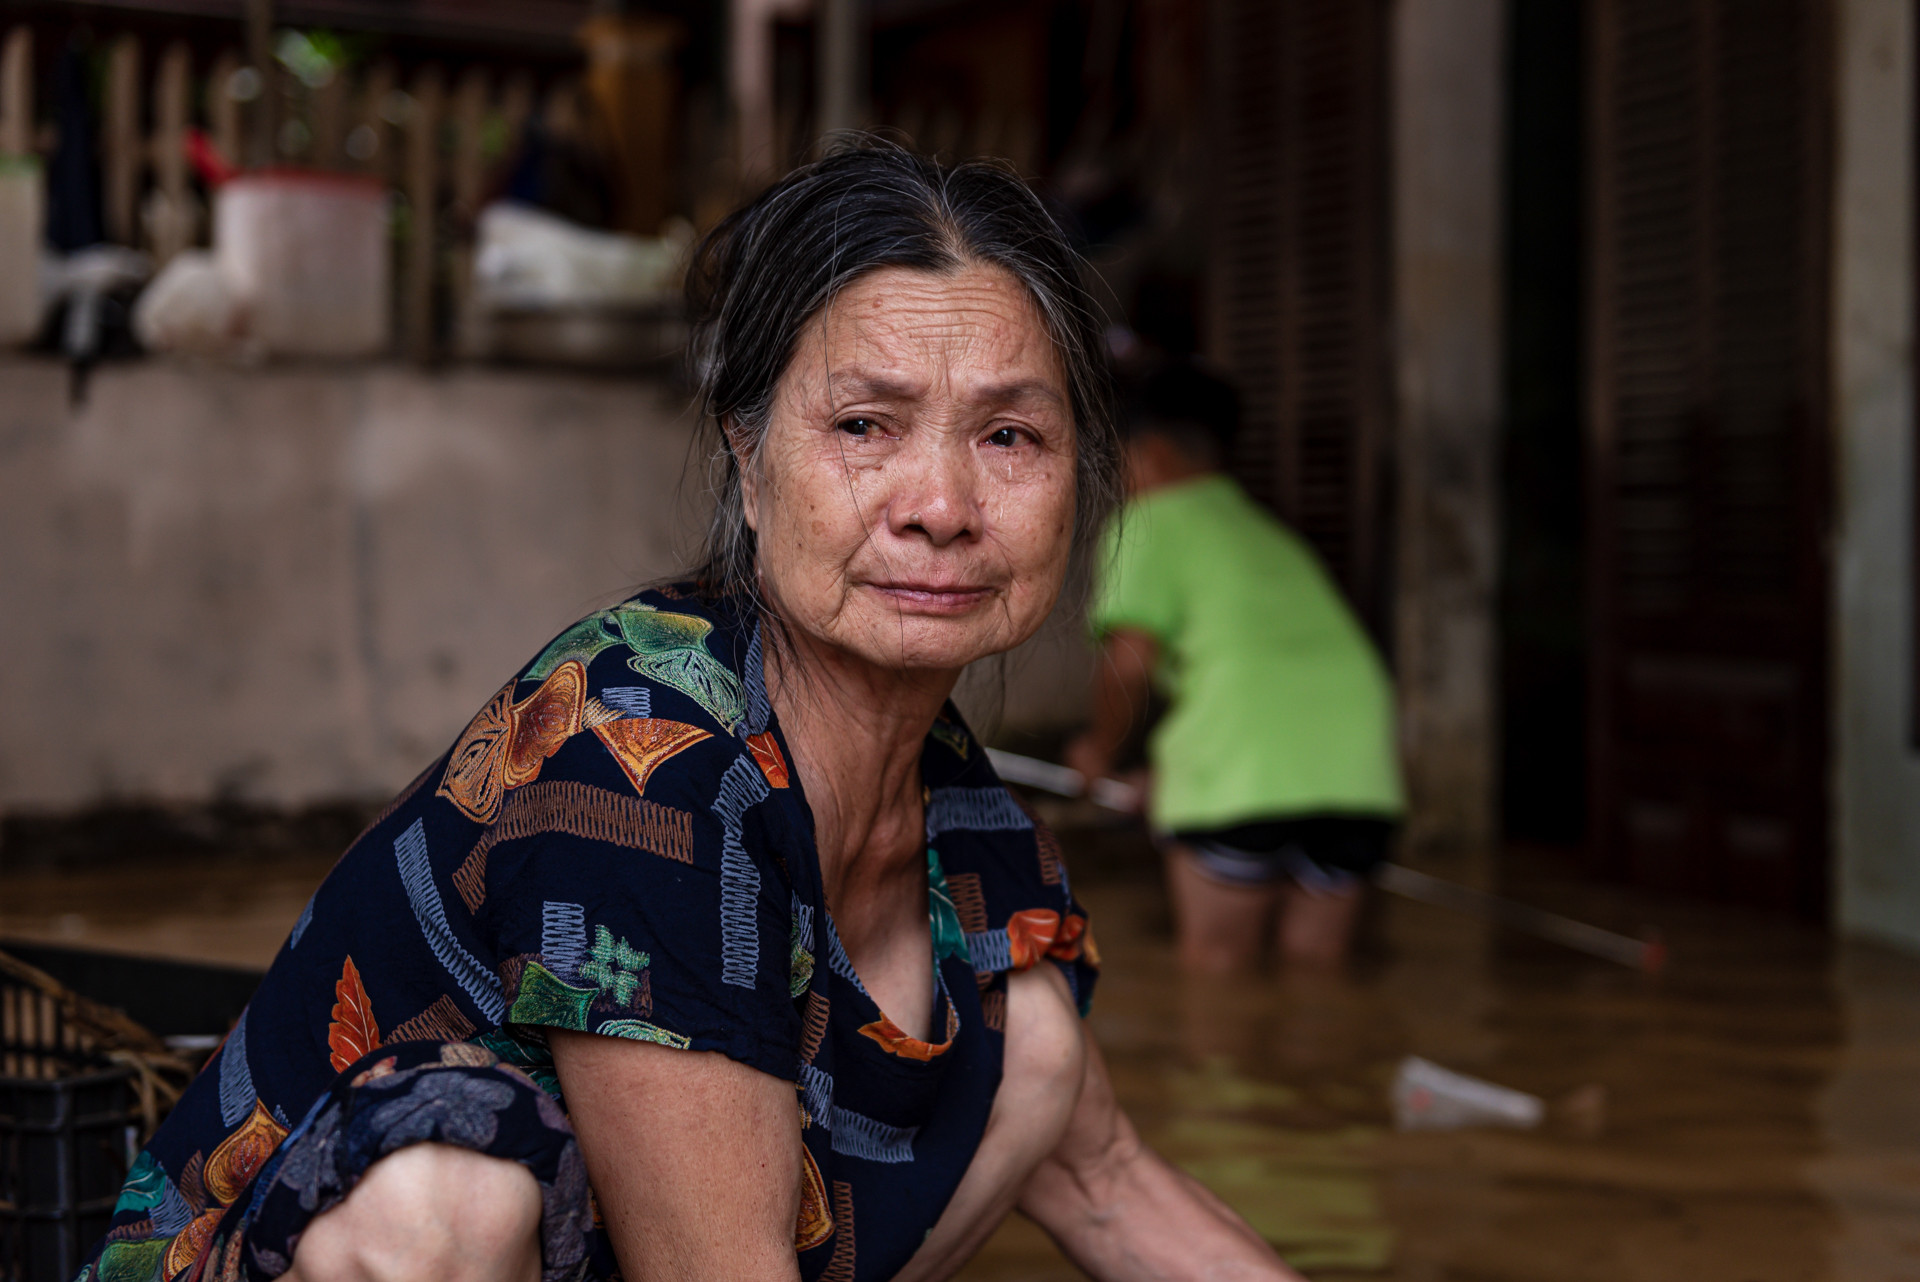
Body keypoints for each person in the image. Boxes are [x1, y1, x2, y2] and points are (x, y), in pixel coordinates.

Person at [81, 145, 1302, 1282]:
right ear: (749, 457)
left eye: (1011, 435)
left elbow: (1109, 1182)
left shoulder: (969, 824)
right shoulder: (636, 761)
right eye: (865, 425)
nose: (942, 502)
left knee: (1027, 1042)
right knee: (448, 1195)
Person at [1065, 362, 1403, 974]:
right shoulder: (1267, 532)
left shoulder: (1151, 521)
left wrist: (1100, 753)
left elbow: (1131, 664)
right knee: (1315, 973)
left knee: (1217, 976)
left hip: (1243, 776)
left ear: (1153, 452)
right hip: (1357, 772)